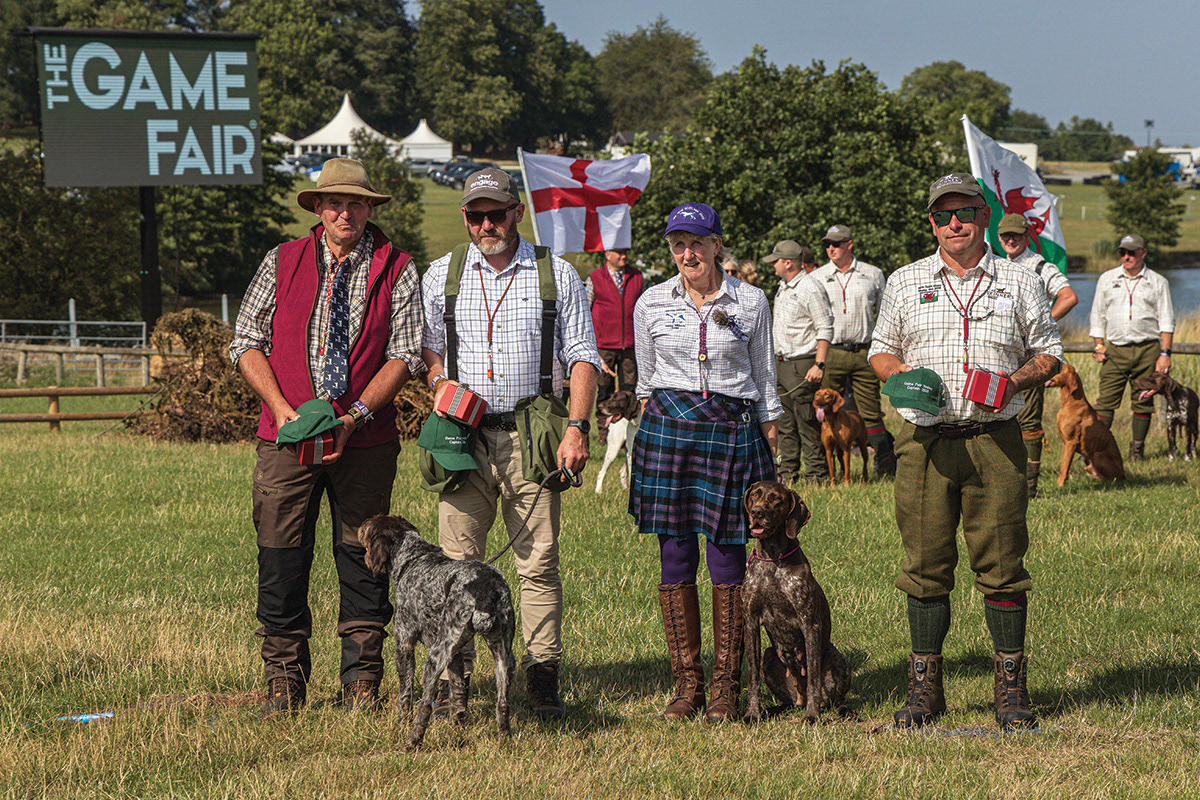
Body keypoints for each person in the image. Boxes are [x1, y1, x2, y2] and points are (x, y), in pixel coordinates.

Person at [229, 158, 424, 715]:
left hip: (365, 438)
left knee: (364, 556)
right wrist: (282, 410)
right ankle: (284, 680)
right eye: (334, 203)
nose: (345, 213)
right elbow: (245, 340)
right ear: (317, 208)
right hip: (286, 438)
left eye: (356, 203)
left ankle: (361, 682)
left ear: (369, 208)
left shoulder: (397, 267)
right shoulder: (281, 260)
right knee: (280, 556)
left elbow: (405, 353)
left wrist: (355, 415)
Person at [868, 172, 1062, 731]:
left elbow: (1050, 351)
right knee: (925, 565)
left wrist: (1013, 382)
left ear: (983, 217)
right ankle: (925, 689)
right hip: (924, 443)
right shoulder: (905, 280)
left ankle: (1011, 689)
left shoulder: (1020, 280)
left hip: (994, 441)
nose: (954, 223)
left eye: (965, 213)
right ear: (932, 223)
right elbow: (881, 350)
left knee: (1002, 566)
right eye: (942, 215)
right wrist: (899, 375)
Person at [421, 168, 602, 721]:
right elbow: (428, 347)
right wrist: (438, 380)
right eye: (476, 215)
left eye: (496, 213)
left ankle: (542, 679)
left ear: (516, 213)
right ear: (464, 217)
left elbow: (583, 356)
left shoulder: (557, 273)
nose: (486, 224)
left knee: (538, 563)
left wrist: (577, 427)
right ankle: (456, 685)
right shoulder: (440, 274)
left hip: (532, 432)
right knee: (456, 565)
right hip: (462, 437)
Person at [629, 202, 781, 723]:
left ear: (717, 245)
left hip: (732, 429)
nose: (688, 253)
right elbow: (646, 381)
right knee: (675, 558)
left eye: (697, 243)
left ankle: (725, 686)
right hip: (668, 432)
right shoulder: (650, 302)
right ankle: (687, 684)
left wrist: (772, 437)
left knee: (727, 558)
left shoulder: (751, 300)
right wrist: (651, 436)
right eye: (678, 244)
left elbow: (764, 376)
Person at [995, 213, 1079, 497]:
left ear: (1026, 236)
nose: (1010, 240)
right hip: (1002, 353)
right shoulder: (996, 265)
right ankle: (1003, 479)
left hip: (1030, 356)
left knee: (1029, 419)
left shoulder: (1041, 266)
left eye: (1016, 235)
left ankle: (1029, 488)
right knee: (999, 414)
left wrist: (1042, 325)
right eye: (1005, 235)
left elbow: (1069, 296)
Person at [812, 224, 896, 475]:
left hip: (864, 351)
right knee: (826, 409)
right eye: (827, 244)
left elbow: (885, 314)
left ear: (849, 244)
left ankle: (884, 464)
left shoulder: (873, 273)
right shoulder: (817, 276)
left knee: (871, 411)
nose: (831, 248)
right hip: (833, 351)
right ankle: (827, 470)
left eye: (836, 243)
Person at [1088, 233, 1175, 462]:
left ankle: (1137, 451)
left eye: (1132, 253)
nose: (1127, 257)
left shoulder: (1158, 281)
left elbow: (1167, 320)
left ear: (1143, 253)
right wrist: (1098, 345)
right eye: (1123, 253)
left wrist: (1165, 354)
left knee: (1143, 401)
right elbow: (1097, 315)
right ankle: (1096, 449)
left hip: (1148, 349)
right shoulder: (1107, 279)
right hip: (1115, 350)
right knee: (1105, 401)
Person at [762, 239, 833, 486]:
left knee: (807, 423)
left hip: (803, 364)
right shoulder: (783, 286)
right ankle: (788, 473)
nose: (772, 265)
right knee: (785, 423)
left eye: (775, 261)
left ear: (788, 263)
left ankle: (816, 476)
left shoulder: (810, 288)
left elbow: (825, 327)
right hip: (781, 363)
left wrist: (819, 364)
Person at [585, 247, 643, 405]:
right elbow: (585, 311)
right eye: (619, 253)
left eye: (625, 252)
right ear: (608, 254)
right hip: (603, 346)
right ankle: (605, 421)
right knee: (604, 391)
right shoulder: (594, 278)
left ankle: (627, 421)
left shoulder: (637, 277)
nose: (624, 256)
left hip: (629, 346)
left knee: (629, 392)